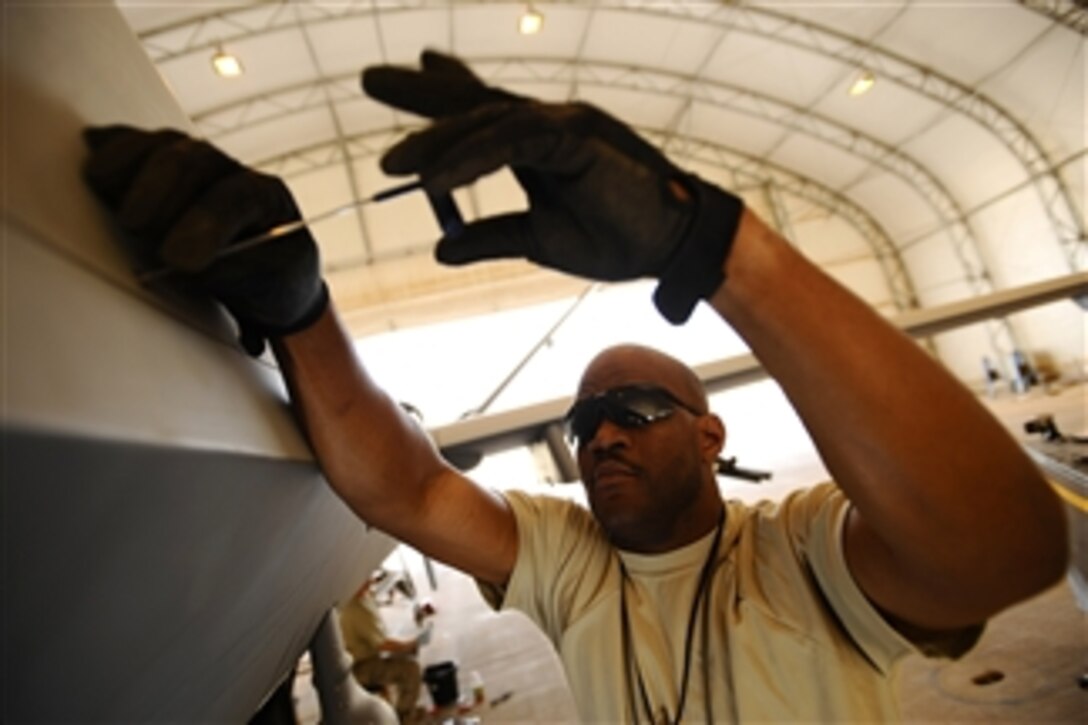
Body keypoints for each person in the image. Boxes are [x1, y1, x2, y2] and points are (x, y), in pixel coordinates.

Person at [82, 50, 1068, 722]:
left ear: (712, 434)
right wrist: (299, 308)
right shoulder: (571, 558)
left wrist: (714, 247)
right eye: (585, 419)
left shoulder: (802, 551)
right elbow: (409, 487)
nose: (599, 435)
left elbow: (1004, 550)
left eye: (632, 411)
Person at [337, 574, 424, 723]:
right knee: (410, 670)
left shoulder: (362, 597)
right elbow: (382, 644)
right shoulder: (354, 609)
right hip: (360, 667)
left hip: (367, 659)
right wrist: (408, 646)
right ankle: (405, 718)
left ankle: (400, 713)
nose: (370, 579)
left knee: (402, 662)